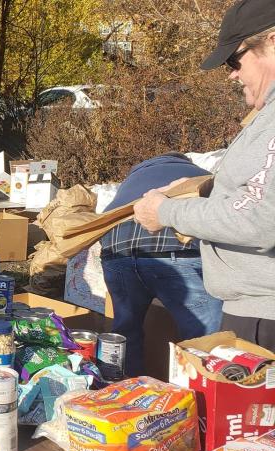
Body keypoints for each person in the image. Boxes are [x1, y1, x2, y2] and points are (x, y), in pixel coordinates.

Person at [134, 0, 275, 349]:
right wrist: (193, 189)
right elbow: (255, 192)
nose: (232, 73)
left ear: (272, 42)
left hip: (264, 318)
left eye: (234, 60)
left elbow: (260, 220)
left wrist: (166, 212)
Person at [101, 153, 223, 377]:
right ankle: (202, 403)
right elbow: (223, 221)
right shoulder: (201, 178)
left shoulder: (129, 183)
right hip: (176, 251)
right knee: (203, 339)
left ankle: (121, 394)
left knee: (126, 330)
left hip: (116, 253)